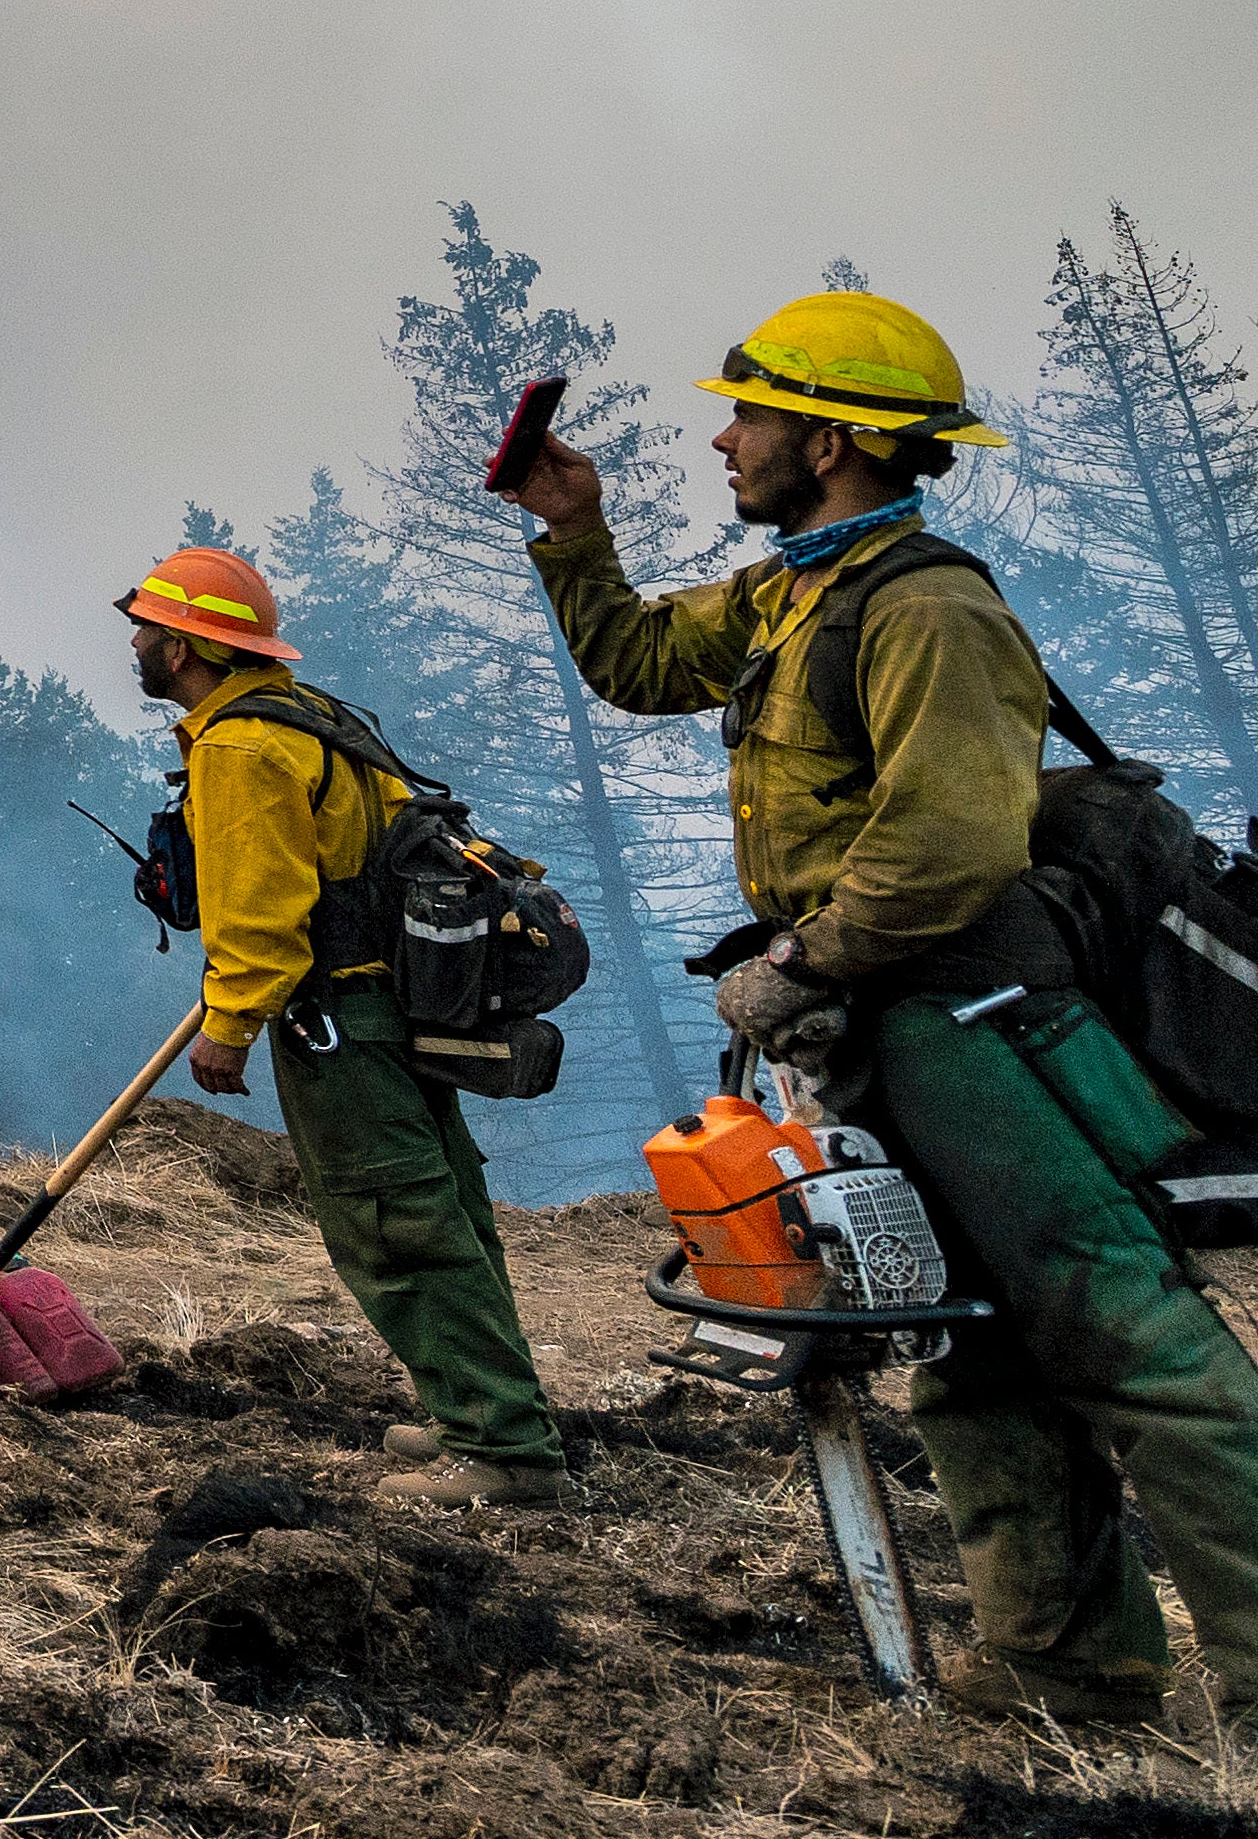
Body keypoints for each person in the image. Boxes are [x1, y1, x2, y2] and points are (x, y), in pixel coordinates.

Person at [504, 287, 1258, 1724]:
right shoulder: (795, 591)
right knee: (965, 1344)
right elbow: (639, 664)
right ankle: (1064, 1671)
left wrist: (796, 964)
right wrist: (568, 531)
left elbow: (950, 843)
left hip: (971, 1019)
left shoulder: (926, 609)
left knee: (1124, 1335)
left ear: (834, 440)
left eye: (750, 414)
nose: (723, 440)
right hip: (882, 1022)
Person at [120, 542, 566, 1508]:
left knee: (395, 1227)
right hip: (395, 1004)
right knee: (441, 1208)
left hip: (338, 1019)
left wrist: (230, 1022)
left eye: (148, 629)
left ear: (186, 647)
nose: (138, 643)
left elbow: (261, 913)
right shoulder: (307, 714)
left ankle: (502, 1451)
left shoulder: (241, 745)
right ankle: (476, 1415)